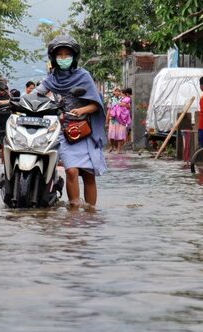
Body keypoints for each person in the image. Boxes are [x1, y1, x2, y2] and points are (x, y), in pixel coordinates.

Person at [35, 35, 107, 208]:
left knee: (89, 175)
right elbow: (36, 94)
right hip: (63, 132)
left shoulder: (84, 76)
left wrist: (82, 109)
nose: (64, 58)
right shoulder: (51, 79)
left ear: (74, 57)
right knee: (71, 171)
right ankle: (74, 210)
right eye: (60, 55)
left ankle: (91, 213)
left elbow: (96, 105)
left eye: (67, 54)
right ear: (54, 58)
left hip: (85, 132)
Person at [114, 88, 132, 153]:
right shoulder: (121, 99)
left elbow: (128, 107)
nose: (120, 94)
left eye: (121, 93)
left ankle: (119, 149)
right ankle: (118, 149)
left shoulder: (127, 99)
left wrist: (123, 105)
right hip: (119, 119)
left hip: (123, 119)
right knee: (119, 134)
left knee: (121, 134)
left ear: (126, 94)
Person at [107, 87, 123, 152]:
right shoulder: (111, 99)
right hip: (113, 119)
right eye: (116, 91)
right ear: (113, 92)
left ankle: (119, 149)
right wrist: (107, 119)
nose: (117, 92)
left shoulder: (122, 99)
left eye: (119, 91)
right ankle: (112, 147)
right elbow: (109, 109)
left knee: (120, 134)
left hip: (120, 119)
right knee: (111, 134)